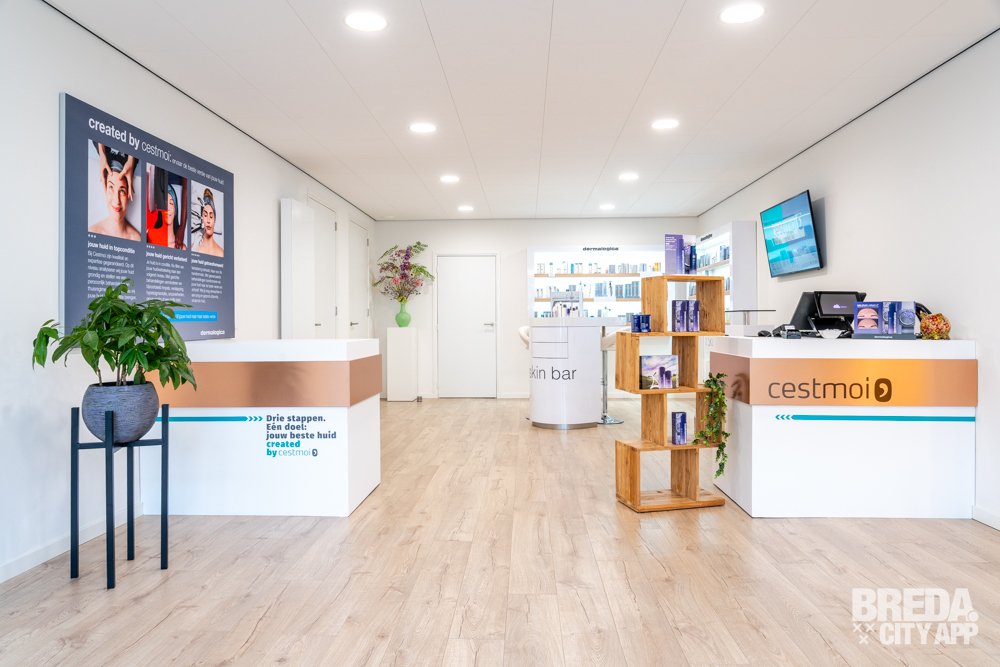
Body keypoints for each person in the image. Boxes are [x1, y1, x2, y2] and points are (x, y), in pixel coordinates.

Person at [88, 143, 141, 241]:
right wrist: (102, 153)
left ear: (129, 193)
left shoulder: (137, 239)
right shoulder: (91, 233)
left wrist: (131, 159)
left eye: (122, 191)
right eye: (111, 187)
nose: (117, 201)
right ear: (104, 187)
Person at [194, 189, 223, 257]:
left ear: (214, 220)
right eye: (205, 215)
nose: (208, 220)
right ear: (201, 218)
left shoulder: (221, 253)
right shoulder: (194, 249)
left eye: (211, 216)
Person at [166, 185, 187, 250]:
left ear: (175, 210)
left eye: (171, 203)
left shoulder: (182, 248)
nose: (168, 208)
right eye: (164, 204)